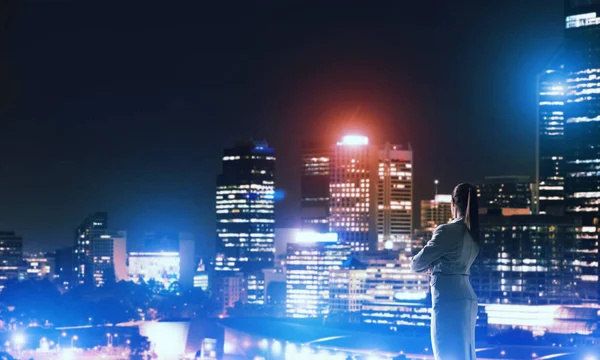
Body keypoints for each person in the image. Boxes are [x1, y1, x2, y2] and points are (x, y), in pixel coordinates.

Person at [411, 183, 480, 360]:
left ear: (453, 203)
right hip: (467, 297)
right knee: (464, 353)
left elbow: (417, 264)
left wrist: (433, 266)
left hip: (448, 297)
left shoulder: (448, 230)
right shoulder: (473, 232)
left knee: (446, 352)